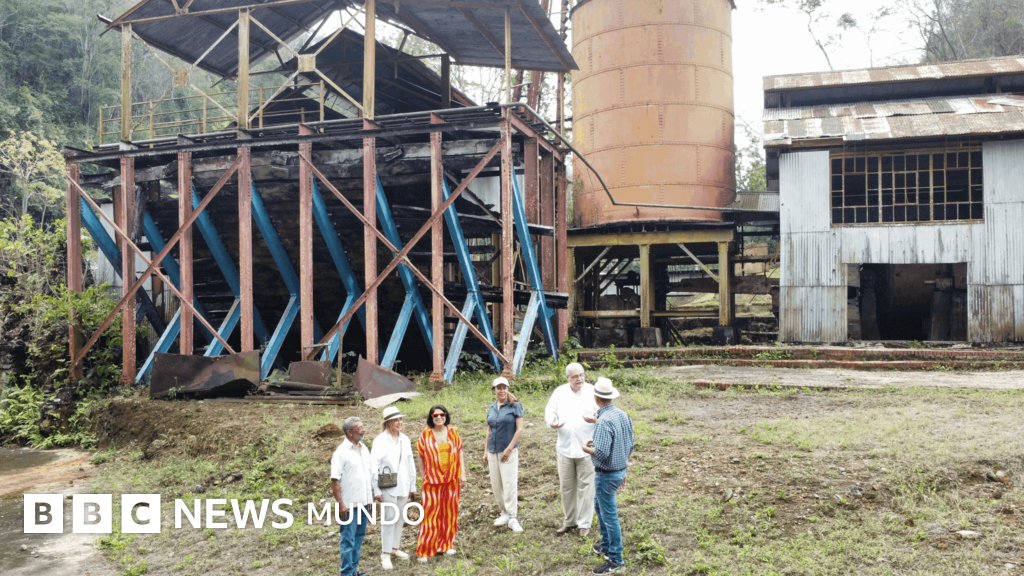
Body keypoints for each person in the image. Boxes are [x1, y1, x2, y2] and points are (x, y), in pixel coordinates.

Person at [582, 378, 634, 574]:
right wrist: (623, 467)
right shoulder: (623, 415)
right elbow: (630, 445)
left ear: (596, 398)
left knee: (609, 515)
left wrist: (586, 448)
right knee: (599, 506)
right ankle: (605, 545)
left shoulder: (603, 421)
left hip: (606, 474)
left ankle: (615, 558)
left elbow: (602, 454)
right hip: (618, 471)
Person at [544, 362, 598, 537]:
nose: (579, 379)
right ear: (568, 377)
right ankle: (570, 521)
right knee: (566, 487)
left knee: (586, 487)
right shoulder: (559, 392)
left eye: (581, 375)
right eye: (575, 376)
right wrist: (552, 422)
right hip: (565, 447)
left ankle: (584, 523)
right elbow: (550, 412)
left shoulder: (592, 391)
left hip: (587, 448)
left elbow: (603, 412)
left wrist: (596, 419)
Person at [330, 416, 383, 576]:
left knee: (359, 536)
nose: (363, 430)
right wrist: (341, 503)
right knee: (348, 539)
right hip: (349, 505)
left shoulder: (364, 449)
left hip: (364, 503)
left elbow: (368, 474)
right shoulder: (341, 452)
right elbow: (334, 480)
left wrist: (370, 498)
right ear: (349, 432)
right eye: (359, 428)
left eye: (362, 427)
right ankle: (346, 572)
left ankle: (353, 569)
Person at [415, 405, 466, 563]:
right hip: (432, 480)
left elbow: (459, 452)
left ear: (446, 415)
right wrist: (423, 475)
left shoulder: (453, 431)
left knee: (449, 512)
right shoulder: (426, 434)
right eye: (435, 415)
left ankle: (447, 544)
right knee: (430, 513)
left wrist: (463, 474)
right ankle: (425, 549)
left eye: (441, 414)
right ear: (431, 417)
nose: (439, 418)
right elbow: (420, 455)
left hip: (451, 478)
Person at [370, 406, 417, 571]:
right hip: (387, 485)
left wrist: (413, 485)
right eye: (395, 420)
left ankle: (395, 548)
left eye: (400, 419)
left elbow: (410, 463)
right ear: (388, 422)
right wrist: (376, 490)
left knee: (400, 517)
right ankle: (385, 553)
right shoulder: (380, 440)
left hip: (404, 483)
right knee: (389, 518)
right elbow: (374, 466)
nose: (399, 422)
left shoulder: (405, 439)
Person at [483, 376, 525, 532]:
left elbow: (519, 429)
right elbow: (489, 429)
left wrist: (509, 448)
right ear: (494, 390)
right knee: (496, 484)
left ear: (507, 389)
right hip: (493, 450)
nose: (502, 390)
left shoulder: (515, 406)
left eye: (504, 387)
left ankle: (513, 516)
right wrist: (485, 450)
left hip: (508, 450)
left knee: (509, 483)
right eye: (498, 388)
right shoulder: (492, 407)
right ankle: (504, 512)